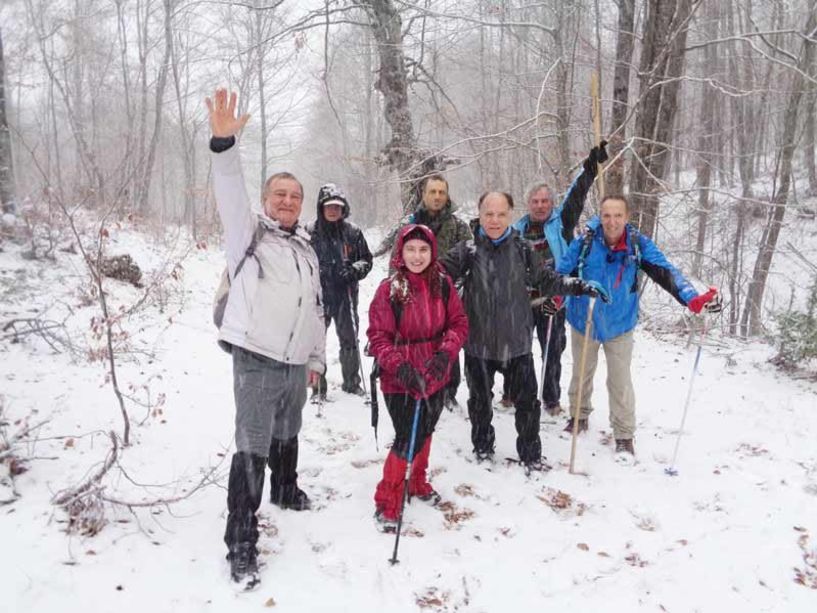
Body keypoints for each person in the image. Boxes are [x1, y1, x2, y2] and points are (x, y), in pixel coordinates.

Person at [206, 88, 325, 587]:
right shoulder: (247, 234)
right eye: (280, 194)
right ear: (265, 199)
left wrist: (316, 359)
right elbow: (228, 189)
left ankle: (286, 487)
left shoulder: (306, 248)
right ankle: (241, 539)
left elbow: (316, 308)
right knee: (253, 443)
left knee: (288, 428)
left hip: (295, 362)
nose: (288, 201)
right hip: (255, 359)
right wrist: (223, 144)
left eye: (295, 196)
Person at [440, 191, 606, 471]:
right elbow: (436, 274)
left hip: (516, 343)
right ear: (480, 215)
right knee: (480, 403)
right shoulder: (467, 250)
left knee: (528, 404)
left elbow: (546, 280)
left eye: (501, 214)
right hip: (478, 344)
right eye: (489, 214)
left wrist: (579, 285)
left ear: (510, 215)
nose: (494, 221)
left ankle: (530, 454)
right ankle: (482, 448)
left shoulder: (522, 249)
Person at [556, 194, 722, 458]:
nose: (612, 221)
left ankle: (623, 435)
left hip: (620, 323)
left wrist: (692, 298)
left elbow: (666, 272)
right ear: (600, 215)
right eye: (607, 215)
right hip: (583, 319)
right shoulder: (585, 241)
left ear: (627, 217)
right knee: (581, 373)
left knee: (620, 381)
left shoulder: (637, 244)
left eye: (617, 215)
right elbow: (562, 272)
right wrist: (555, 296)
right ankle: (578, 416)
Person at [367, 224, 468, 532]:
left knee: (425, 429)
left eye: (423, 250)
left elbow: (459, 323)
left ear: (432, 251)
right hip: (400, 378)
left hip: (435, 373)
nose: (417, 256)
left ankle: (417, 482)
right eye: (410, 249)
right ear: (401, 251)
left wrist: (445, 355)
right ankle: (388, 498)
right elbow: (378, 336)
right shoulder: (390, 289)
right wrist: (400, 367)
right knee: (405, 437)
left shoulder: (444, 284)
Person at [504, 143, 608, 414]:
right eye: (535, 202)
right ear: (528, 204)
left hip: (553, 299)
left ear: (551, 202)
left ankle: (551, 399)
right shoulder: (516, 231)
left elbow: (578, 194)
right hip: (524, 301)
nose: (540, 206)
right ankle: (514, 393)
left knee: (552, 350)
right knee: (518, 350)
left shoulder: (561, 222)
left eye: (545, 201)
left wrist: (590, 167)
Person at [375, 174, 472, 411]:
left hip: (446, 296)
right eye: (433, 191)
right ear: (423, 194)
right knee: (411, 344)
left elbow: (471, 259)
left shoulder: (459, 227)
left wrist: (457, 287)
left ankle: (448, 391)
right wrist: (396, 290)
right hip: (411, 297)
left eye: (441, 192)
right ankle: (410, 384)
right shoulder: (408, 225)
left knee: (448, 348)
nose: (437, 196)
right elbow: (396, 261)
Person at [306, 183, 372, 399]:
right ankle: (317, 386)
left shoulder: (352, 232)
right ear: (321, 208)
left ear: (344, 208)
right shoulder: (309, 232)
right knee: (315, 341)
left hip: (346, 294)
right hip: (318, 295)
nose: (333, 210)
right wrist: (316, 273)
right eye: (329, 206)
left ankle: (352, 382)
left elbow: (366, 260)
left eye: (337, 206)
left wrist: (353, 270)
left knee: (349, 338)